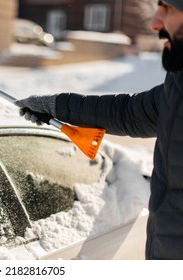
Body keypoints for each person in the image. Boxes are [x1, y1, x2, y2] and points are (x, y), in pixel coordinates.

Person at [15, 0, 183, 260]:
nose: (154, 22)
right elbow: (130, 113)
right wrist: (56, 106)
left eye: (170, 8)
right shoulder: (178, 83)